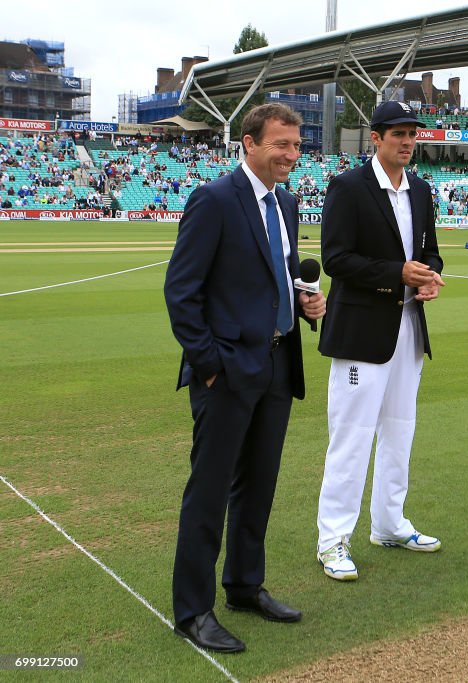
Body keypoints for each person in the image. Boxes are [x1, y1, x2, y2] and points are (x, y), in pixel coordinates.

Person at [164, 103, 326, 653]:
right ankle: (192, 610)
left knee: (258, 487)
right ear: (249, 144)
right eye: (281, 145)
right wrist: (209, 366)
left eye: (297, 145)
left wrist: (305, 303)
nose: (291, 155)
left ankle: (243, 586)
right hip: (228, 371)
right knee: (209, 493)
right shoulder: (213, 200)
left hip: (279, 363)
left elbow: (277, 273)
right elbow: (181, 293)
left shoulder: (287, 202)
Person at [315, 101, 445, 581]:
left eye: (412, 134)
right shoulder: (348, 187)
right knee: (351, 438)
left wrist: (429, 277)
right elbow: (336, 259)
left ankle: (389, 524)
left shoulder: (422, 190)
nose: (408, 142)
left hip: (409, 328)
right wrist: (398, 273)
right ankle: (332, 540)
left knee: (400, 432)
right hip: (362, 333)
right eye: (398, 134)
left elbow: (429, 251)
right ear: (375, 138)